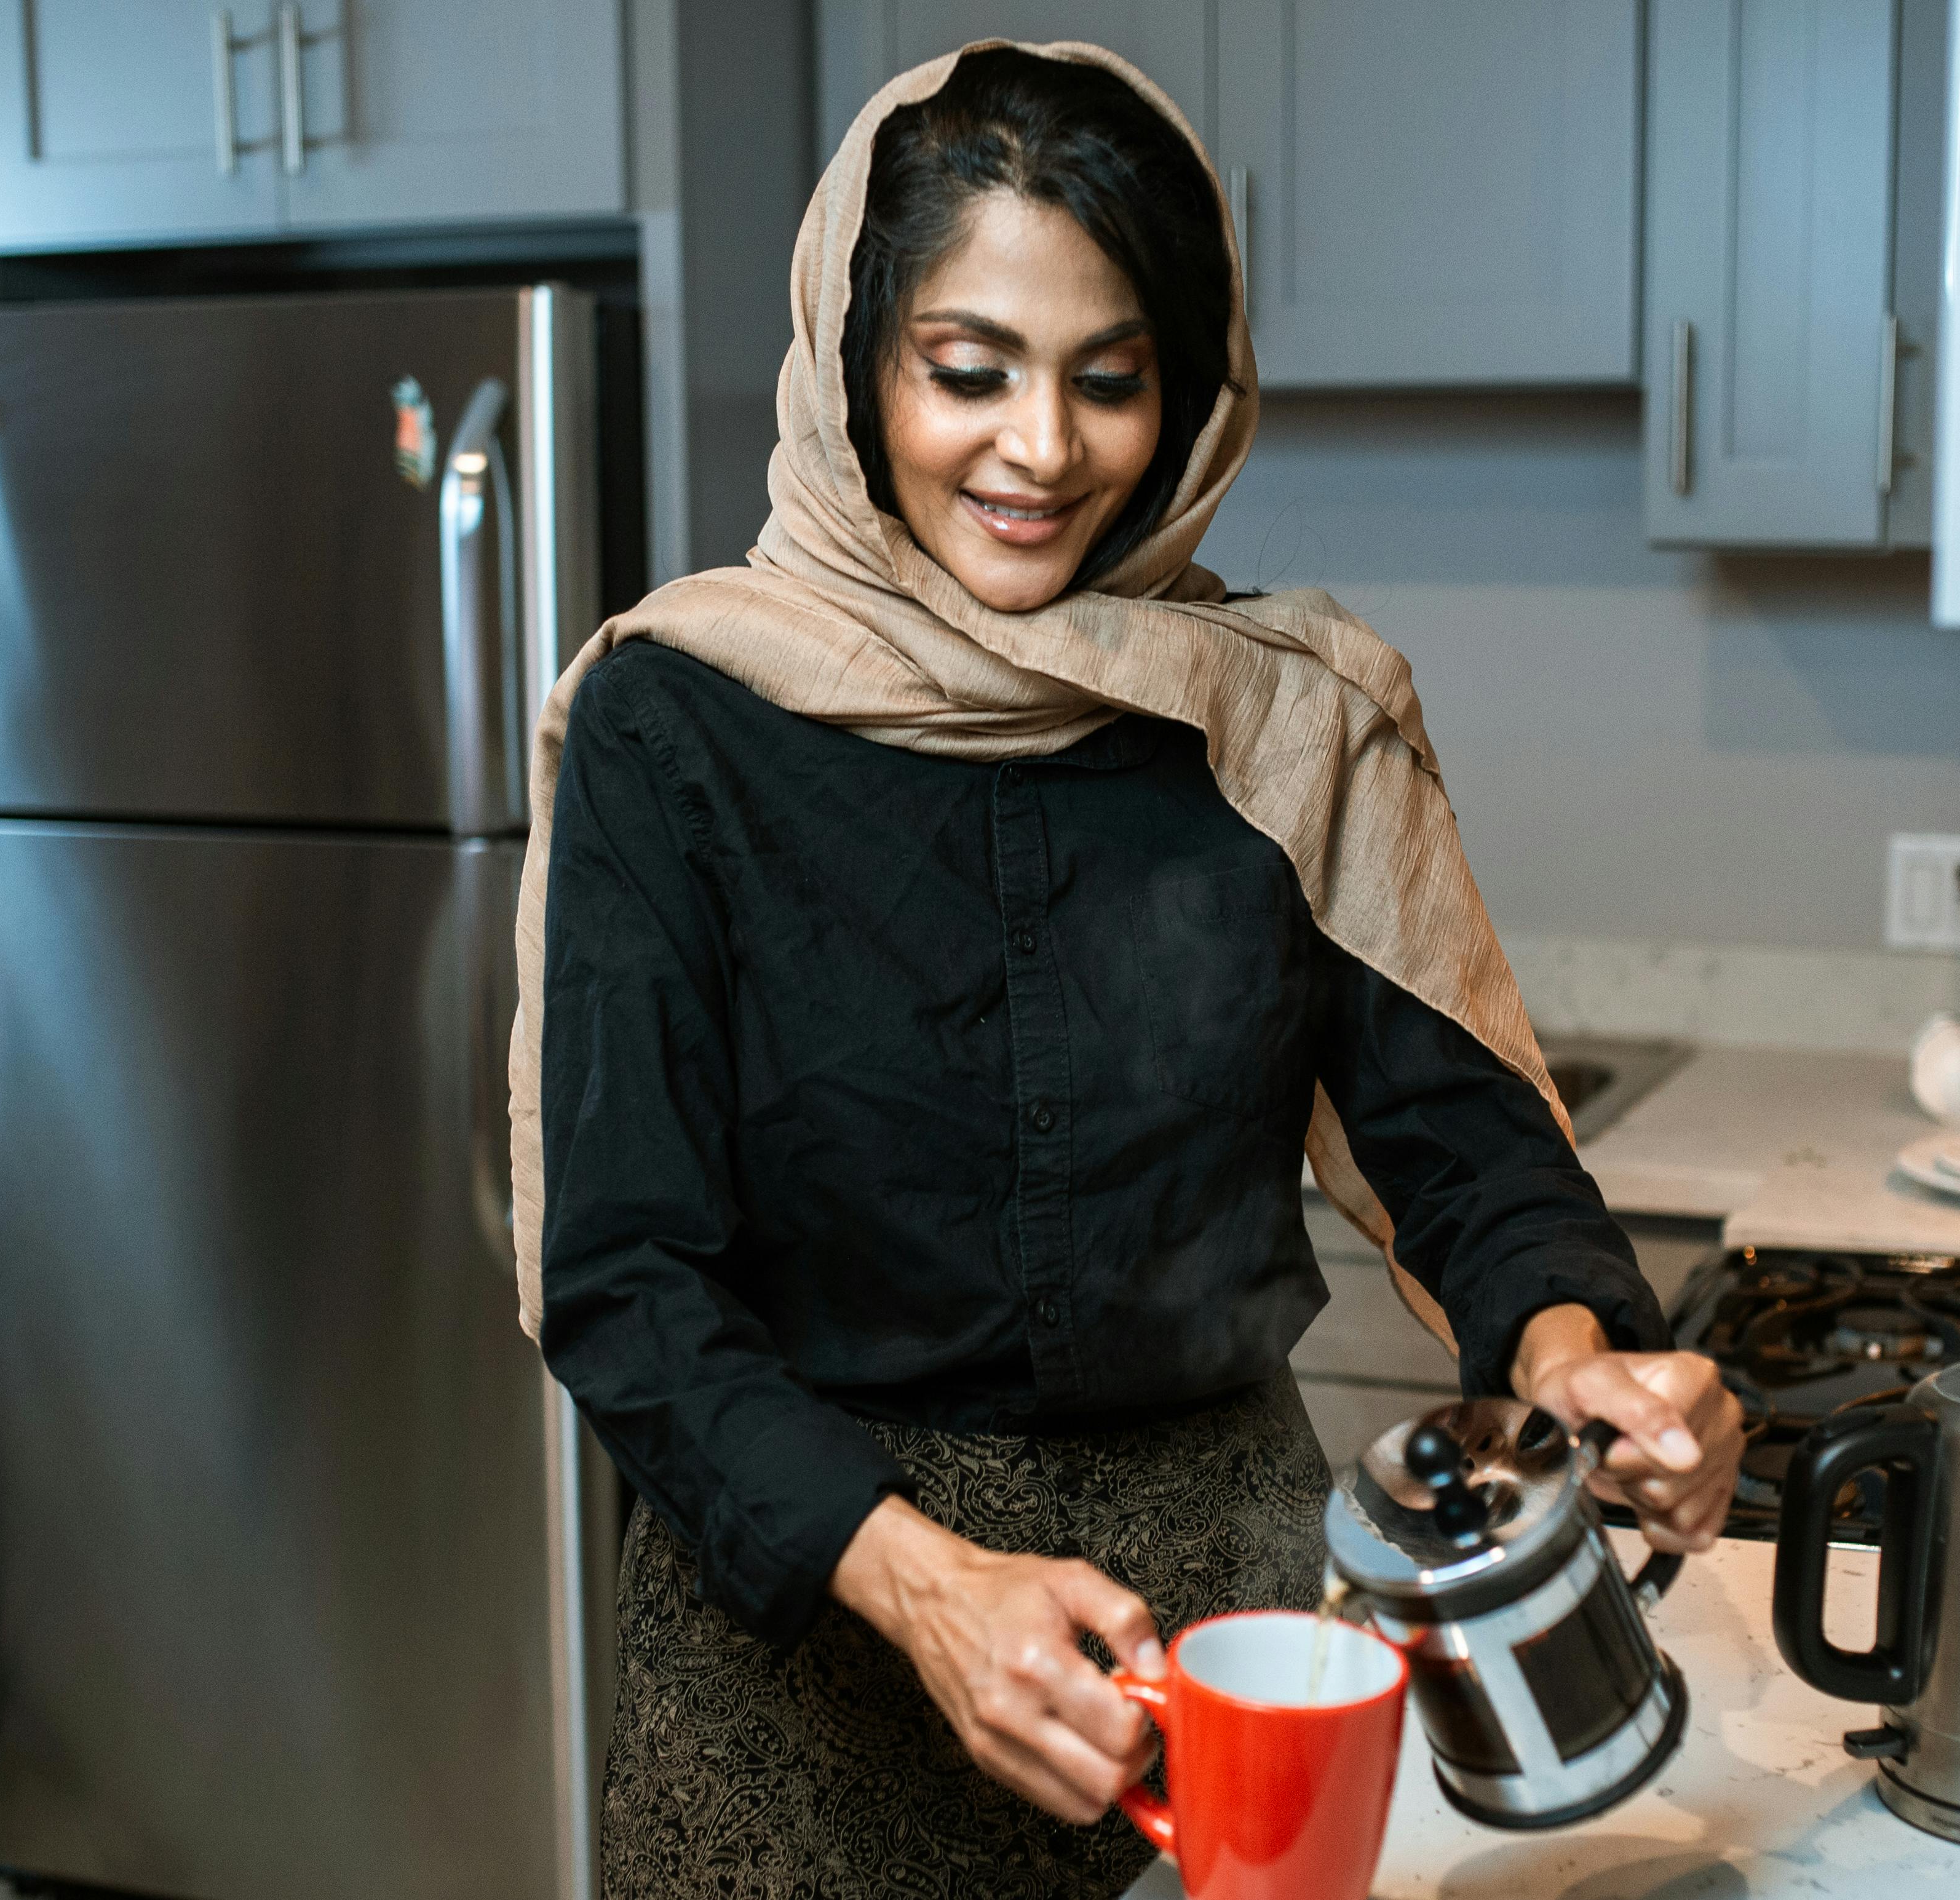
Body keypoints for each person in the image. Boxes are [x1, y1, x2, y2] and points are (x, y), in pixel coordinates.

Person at [510, 41, 1748, 1900]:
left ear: (1188, 392)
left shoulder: (1287, 717)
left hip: (1224, 1623)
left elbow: (1464, 1145)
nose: (1040, 449)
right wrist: (921, 1583)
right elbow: (621, 1279)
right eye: (967, 370)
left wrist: (1580, 1359)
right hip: (810, 1655)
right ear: (859, 363)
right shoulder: (676, 723)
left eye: (1109, 379)